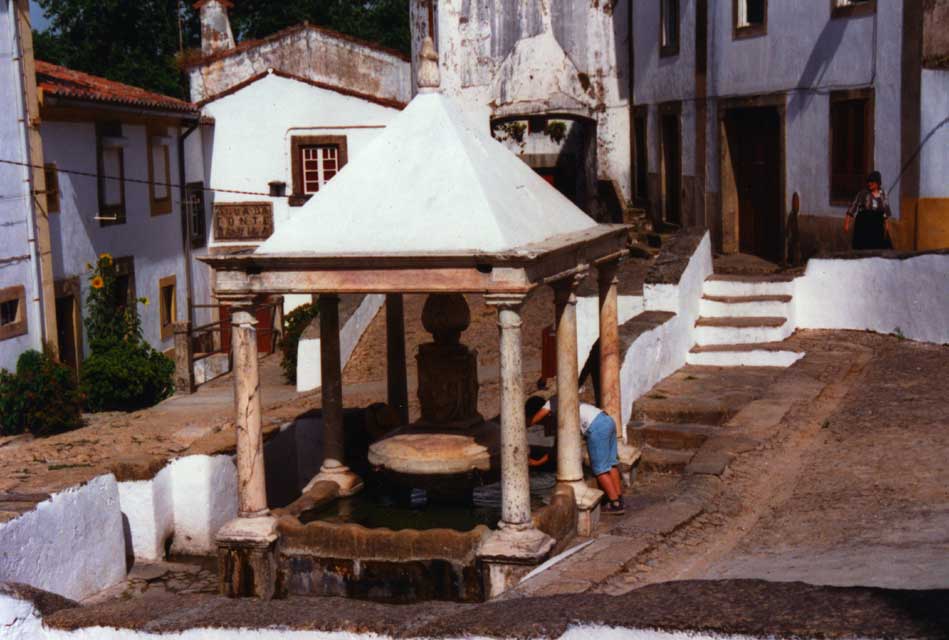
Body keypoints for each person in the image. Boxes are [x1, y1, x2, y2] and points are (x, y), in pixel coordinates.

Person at [525, 395, 625, 515]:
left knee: (600, 469)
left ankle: (615, 503)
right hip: (607, 420)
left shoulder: (551, 402)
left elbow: (531, 421)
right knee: (611, 463)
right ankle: (619, 497)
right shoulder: (561, 408)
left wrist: (518, 425)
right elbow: (557, 448)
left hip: (596, 427)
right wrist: (537, 462)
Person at [844, 170, 893, 250]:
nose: (869, 184)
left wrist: (887, 226)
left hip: (877, 225)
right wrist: (847, 223)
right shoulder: (863, 193)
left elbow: (886, 211)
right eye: (868, 181)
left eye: (872, 182)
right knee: (863, 246)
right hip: (864, 223)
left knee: (876, 247)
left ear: (878, 183)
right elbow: (853, 208)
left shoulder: (883, 194)